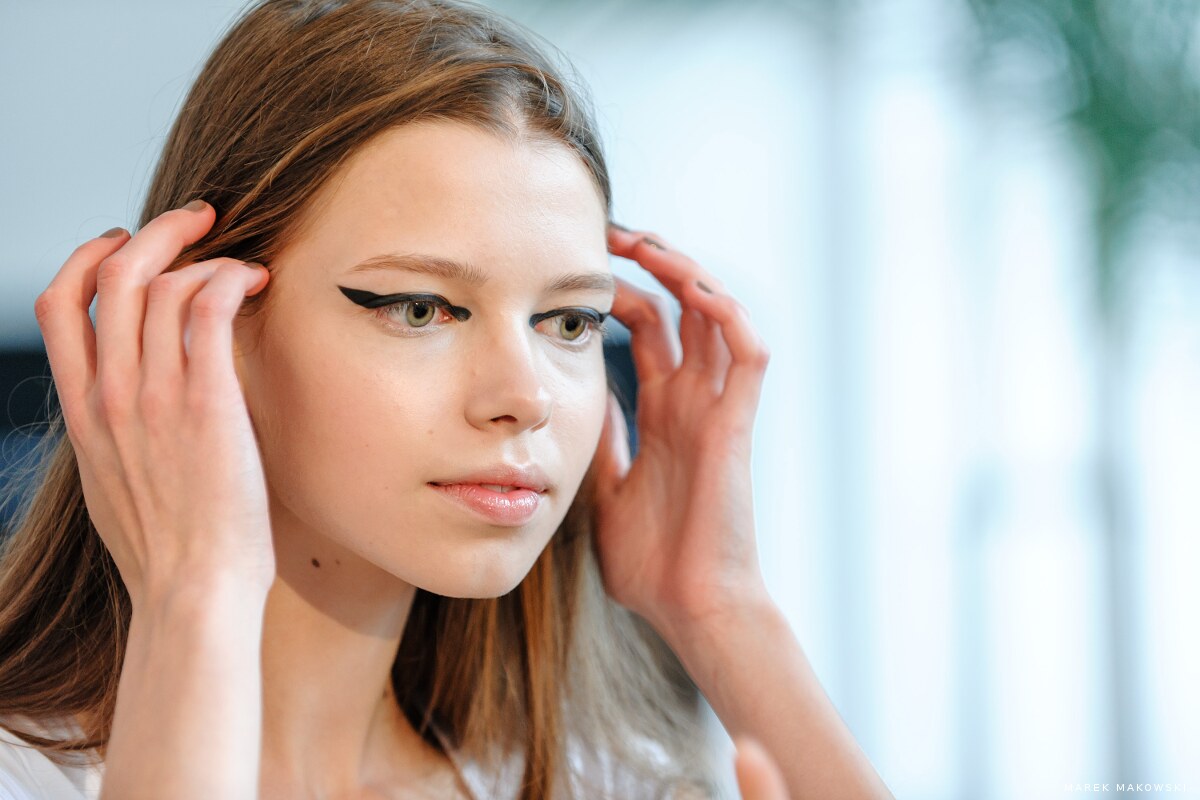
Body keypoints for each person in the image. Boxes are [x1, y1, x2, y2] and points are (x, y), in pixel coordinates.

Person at [0, 1, 895, 798]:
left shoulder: (609, 782)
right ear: (201, 323)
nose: (525, 398)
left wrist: (720, 608)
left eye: (570, 322)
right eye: (420, 308)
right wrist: (193, 603)